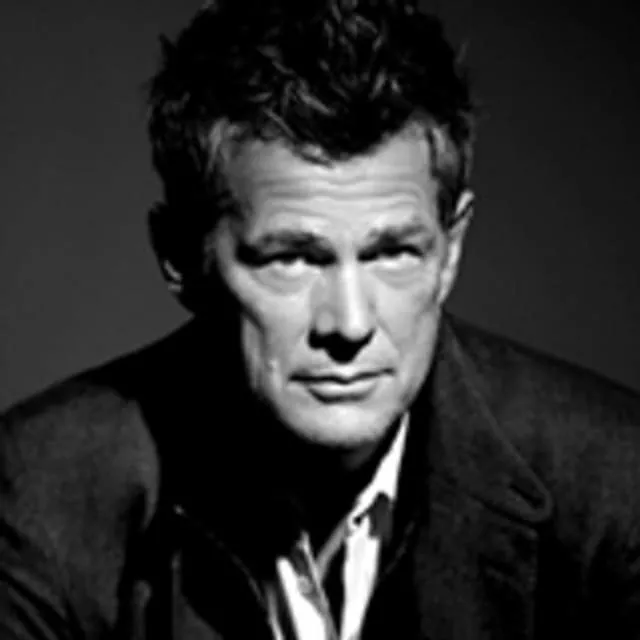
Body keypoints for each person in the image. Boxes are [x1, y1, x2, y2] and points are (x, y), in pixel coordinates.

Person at [2, 0, 640, 637]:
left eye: (393, 252)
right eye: (291, 259)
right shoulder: (41, 491)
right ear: (181, 258)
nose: (350, 325)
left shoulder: (617, 486)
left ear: (451, 251)